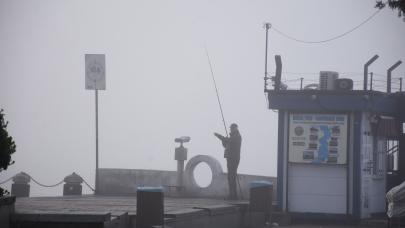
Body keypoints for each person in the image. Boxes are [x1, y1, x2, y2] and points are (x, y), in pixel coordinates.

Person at [214, 123, 242, 200]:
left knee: (231, 177)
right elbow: (225, 145)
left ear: (236, 128)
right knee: (230, 177)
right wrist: (223, 140)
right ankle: (233, 195)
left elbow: (229, 141)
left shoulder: (237, 137)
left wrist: (219, 136)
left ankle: (233, 196)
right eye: (231, 128)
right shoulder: (233, 137)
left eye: (232, 128)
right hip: (230, 158)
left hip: (234, 159)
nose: (231, 129)